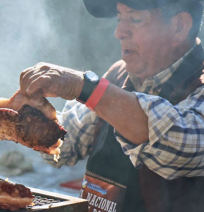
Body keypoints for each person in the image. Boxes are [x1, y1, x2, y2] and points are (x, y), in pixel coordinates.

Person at [19, 0, 204, 211]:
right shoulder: (119, 74)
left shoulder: (199, 86)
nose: (119, 32)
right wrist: (29, 114)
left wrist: (83, 87)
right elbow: (66, 145)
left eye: (135, 19)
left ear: (178, 27)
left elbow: (175, 146)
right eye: (119, 18)